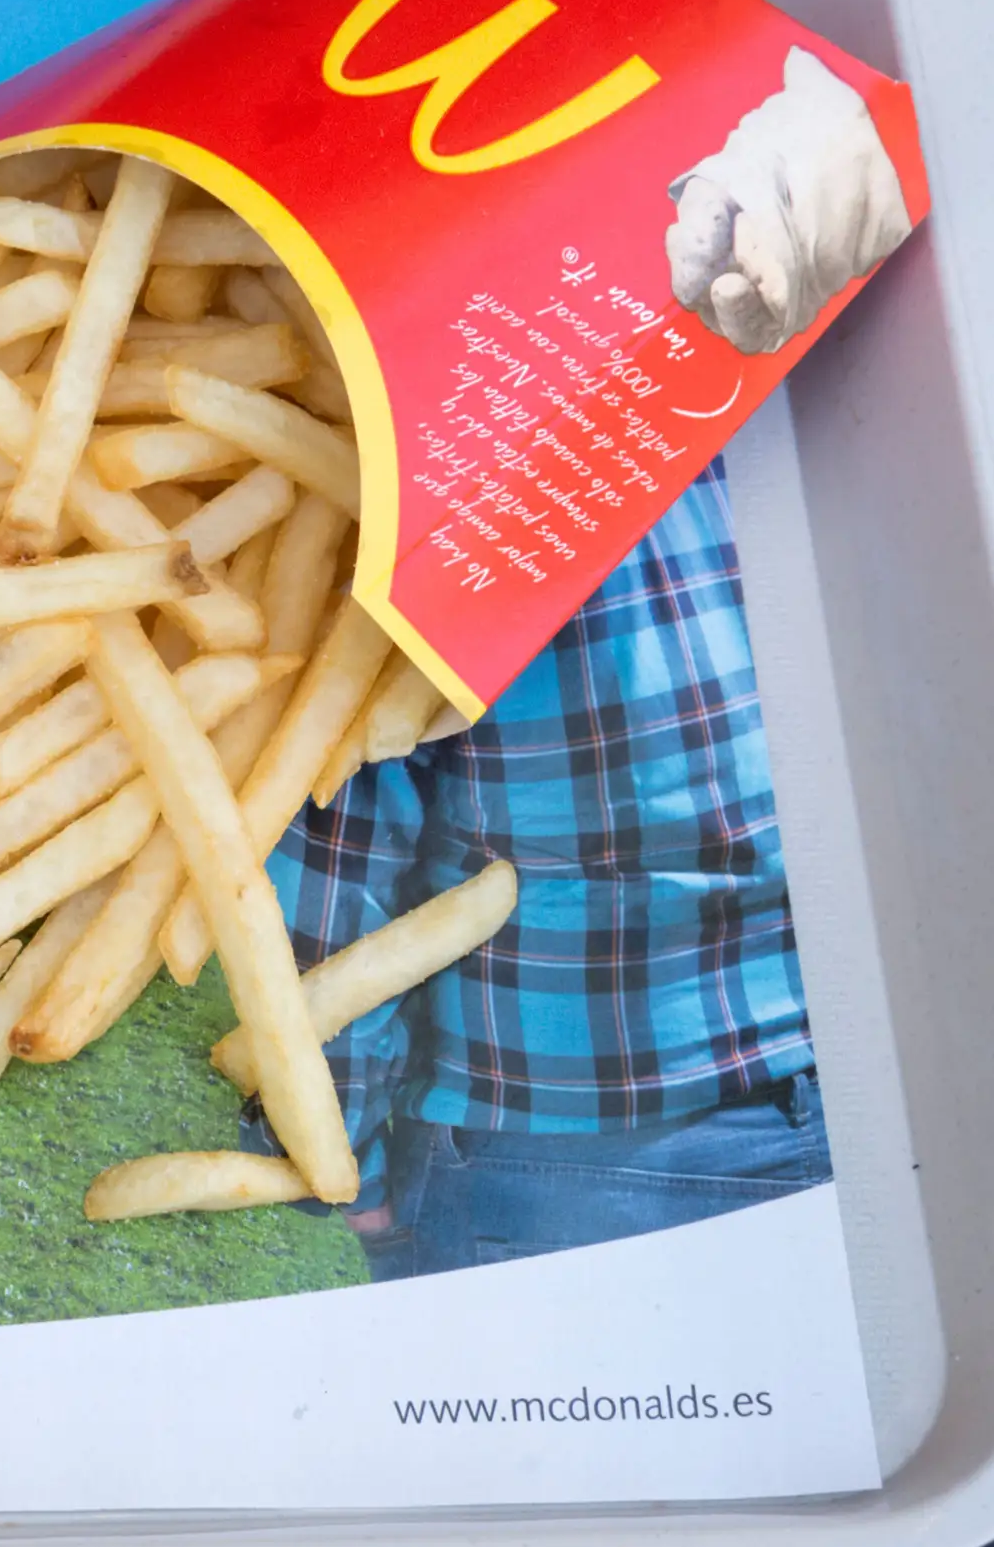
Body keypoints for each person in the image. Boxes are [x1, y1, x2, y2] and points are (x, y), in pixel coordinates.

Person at [269, 459, 832, 1276]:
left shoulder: (426, 473)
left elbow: (341, 842)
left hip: (546, 1139)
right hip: (833, 1085)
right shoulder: (738, 421)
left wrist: (341, 1156)